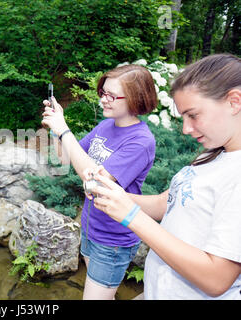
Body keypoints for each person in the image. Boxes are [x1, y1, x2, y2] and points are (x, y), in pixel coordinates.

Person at [85, 53, 241, 299]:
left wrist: (131, 216)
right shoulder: (212, 155)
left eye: (193, 115)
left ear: (234, 101)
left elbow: (217, 278)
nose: (186, 129)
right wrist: (115, 197)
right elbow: (165, 203)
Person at [41, 64, 157, 299]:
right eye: (103, 93)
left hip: (113, 240)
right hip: (90, 226)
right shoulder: (106, 125)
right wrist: (56, 128)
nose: (104, 99)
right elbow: (65, 158)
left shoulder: (141, 142)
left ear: (136, 99)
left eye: (112, 95)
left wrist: (64, 131)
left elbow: (94, 180)